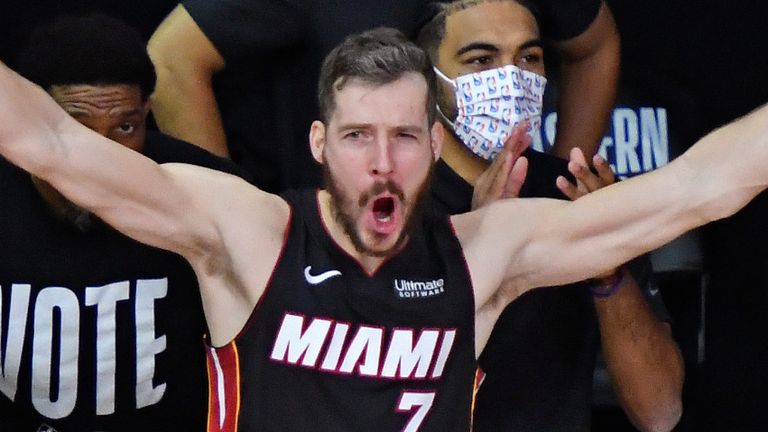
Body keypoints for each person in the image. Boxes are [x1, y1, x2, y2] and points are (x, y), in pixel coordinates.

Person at [0, 27, 765, 432]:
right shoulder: (252, 232)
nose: (382, 164)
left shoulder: (486, 255)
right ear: (319, 144)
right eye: (358, 136)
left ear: (434, 148)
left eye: (404, 136)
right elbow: (55, 145)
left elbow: (698, 187)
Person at [416, 1, 683, 431]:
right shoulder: (390, 209)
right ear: (427, 80)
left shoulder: (578, 197)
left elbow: (661, 411)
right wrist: (480, 247)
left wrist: (607, 270)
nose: (510, 78)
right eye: (482, 60)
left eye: (529, 58)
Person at [0, 13, 246, 431]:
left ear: (148, 113)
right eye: (75, 130)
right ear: (34, 121)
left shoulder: (204, 194)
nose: (103, 158)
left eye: (125, 127)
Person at [146, 0, 617, 193]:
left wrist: (557, 181)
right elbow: (171, 60)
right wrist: (234, 223)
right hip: (331, 247)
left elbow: (594, 46)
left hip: (496, 233)